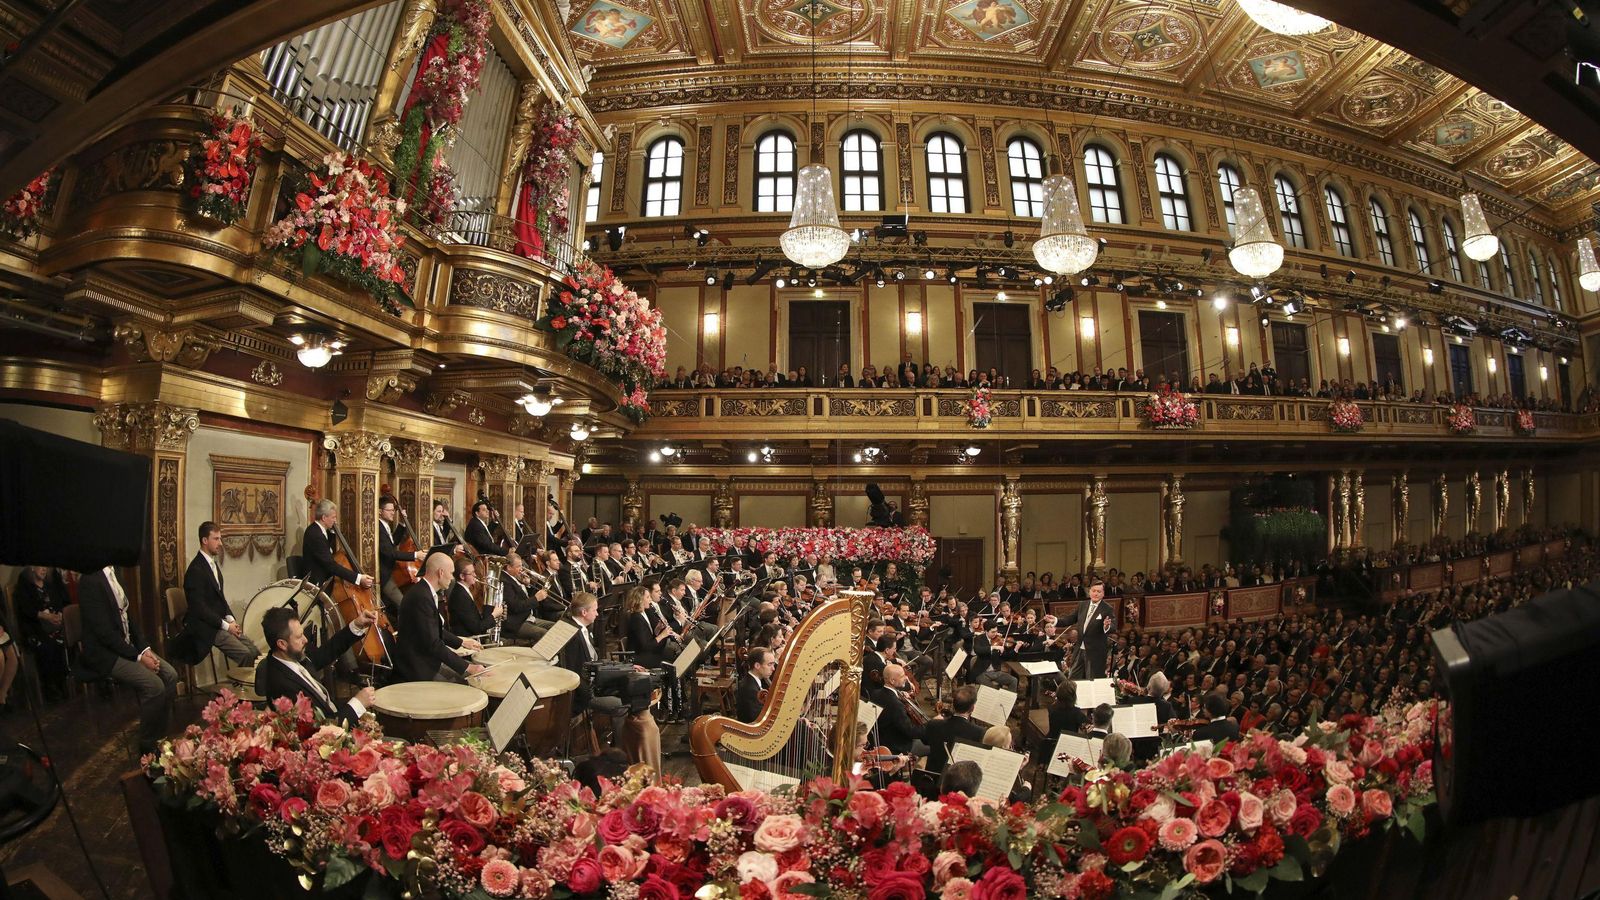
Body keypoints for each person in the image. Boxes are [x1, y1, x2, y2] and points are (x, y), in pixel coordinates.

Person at [77, 565, 178, 755]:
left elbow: (130, 619)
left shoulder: (116, 574)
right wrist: (137, 657)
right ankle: (147, 745)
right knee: (154, 686)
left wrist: (145, 649)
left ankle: (160, 735)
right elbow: (104, 633)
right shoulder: (89, 580)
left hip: (129, 648)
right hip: (106, 654)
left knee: (170, 675)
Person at [255, 605, 378, 727]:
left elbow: (327, 651)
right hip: (330, 732)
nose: (305, 640)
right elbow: (320, 729)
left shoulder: (289, 655)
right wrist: (358, 703)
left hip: (333, 712)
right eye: (299, 637)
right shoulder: (282, 686)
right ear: (282, 644)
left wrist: (357, 624)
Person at [395, 552, 485, 683]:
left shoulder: (425, 592)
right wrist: (468, 667)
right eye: (451, 573)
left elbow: (433, 630)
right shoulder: (421, 597)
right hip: (417, 668)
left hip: (427, 662)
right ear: (441, 573)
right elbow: (433, 644)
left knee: (467, 679)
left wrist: (461, 642)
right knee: (465, 684)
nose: (452, 578)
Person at [182, 521, 259, 666]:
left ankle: (247, 686)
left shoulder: (212, 564)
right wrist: (226, 626)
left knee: (254, 651)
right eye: (216, 539)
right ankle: (242, 688)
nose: (221, 543)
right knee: (246, 654)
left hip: (220, 622)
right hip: (206, 627)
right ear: (205, 541)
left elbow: (220, 598)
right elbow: (199, 609)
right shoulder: (195, 570)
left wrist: (231, 620)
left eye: (220, 538)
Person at [556, 592, 628, 722]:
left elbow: (593, 658)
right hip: (586, 692)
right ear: (584, 612)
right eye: (594, 610)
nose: (597, 614)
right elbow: (573, 673)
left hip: (595, 678)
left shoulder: (582, 628)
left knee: (629, 683)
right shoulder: (572, 635)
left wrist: (621, 668)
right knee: (623, 706)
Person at [13, 566, 68, 699]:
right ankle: (49, 686)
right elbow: (26, 610)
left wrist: (59, 614)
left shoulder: (51, 581)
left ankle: (62, 681)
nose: (44, 570)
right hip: (35, 628)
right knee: (47, 645)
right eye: (40, 567)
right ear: (32, 568)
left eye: (45, 567)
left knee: (64, 641)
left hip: (54, 625)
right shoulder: (25, 582)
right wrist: (45, 616)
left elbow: (61, 600)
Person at [302, 499, 373, 589]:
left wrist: (333, 531)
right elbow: (330, 565)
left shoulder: (320, 530)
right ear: (324, 518)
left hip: (325, 578)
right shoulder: (315, 534)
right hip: (317, 584)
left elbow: (330, 550)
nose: (335, 520)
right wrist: (358, 578)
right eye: (333, 517)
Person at [923, 685, 988, 774]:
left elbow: (925, 741)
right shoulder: (979, 732)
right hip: (959, 781)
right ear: (972, 708)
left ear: (953, 704)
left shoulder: (933, 724)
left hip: (932, 777)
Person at [866, 663, 927, 757]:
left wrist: (898, 695)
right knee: (935, 746)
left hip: (879, 741)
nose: (906, 678)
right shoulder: (895, 704)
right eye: (902, 676)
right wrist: (930, 727)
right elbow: (911, 731)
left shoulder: (874, 694)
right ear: (892, 680)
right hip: (896, 747)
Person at [376, 495, 420, 615]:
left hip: (392, 571)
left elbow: (393, 543)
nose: (393, 513)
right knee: (402, 604)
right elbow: (390, 552)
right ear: (380, 511)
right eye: (389, 510)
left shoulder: (385, 525)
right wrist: (415, 555)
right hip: (384, 575)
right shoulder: (378, 528)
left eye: (393, 510)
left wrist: (401, 523)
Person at [1071, 578, 1116, 678]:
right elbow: (1070, 619)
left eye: (1099, 591)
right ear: (1089, 592)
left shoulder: (1107, 608)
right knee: (1072, 679)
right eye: (1094, 591)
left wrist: (1107, 626)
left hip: (1094, 652)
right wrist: (1056, 620)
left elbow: (1113, 626)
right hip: (1079, 649)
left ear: (1103, 593)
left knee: (1091, 680)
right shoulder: (1082, 605)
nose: (1096, 594)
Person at [737, 647, 774, 723]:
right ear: (757, 666)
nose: (773, 668)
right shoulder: (749, 689)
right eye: (769, 664)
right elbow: (757, 720)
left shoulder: (754, 681)